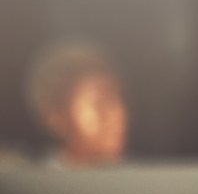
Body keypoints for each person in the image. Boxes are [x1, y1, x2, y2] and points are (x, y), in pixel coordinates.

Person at [24, 38, 128, 166]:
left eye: (118, 99)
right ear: (56, 117)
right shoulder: (28, 181)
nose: (119, 115)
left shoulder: (139, 180)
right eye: (99, 103)